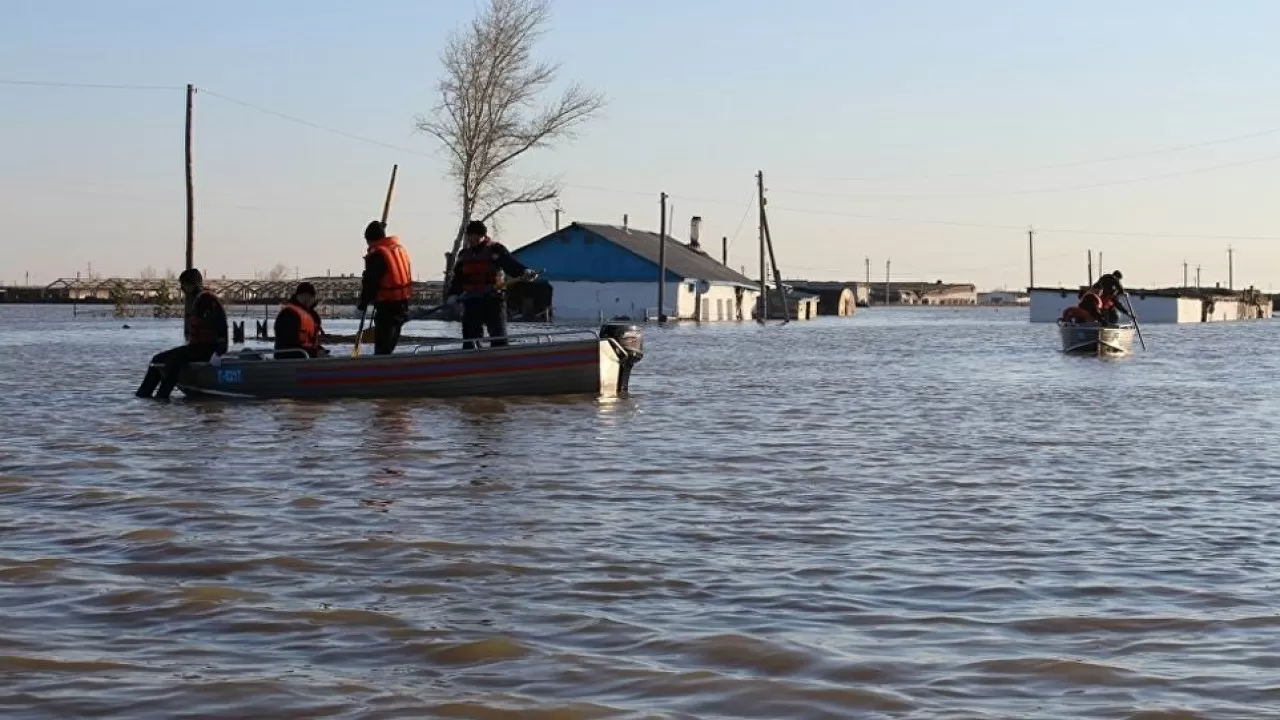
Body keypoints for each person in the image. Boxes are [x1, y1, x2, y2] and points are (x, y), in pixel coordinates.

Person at [135, 268, 228, 399]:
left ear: (192, 284)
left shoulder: (207, 300)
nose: (182, 288)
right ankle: (143, 396)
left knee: (174, 361)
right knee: (157, 360)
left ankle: (162, 397)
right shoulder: (198, 299)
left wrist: (219, 351)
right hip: (197, 347)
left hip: (208, 349)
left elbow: (221, 325)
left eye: (183, 284)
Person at [446, 220, 536, 349]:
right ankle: (470, 361)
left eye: (476, 236)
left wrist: (525, 272)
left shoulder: (496, 249)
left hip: (493, 299)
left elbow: (511, 265)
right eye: (470, 236)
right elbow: (458, 279)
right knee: (470, 338)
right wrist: (453, 294)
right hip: (471, 299)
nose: (473, 239)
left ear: (483, 236)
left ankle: (500, 360)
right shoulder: (463, 255)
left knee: (498, 336)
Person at [357, 220, 413, 355]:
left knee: (383, 346)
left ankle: (380, 368)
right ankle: (386, 365)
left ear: (369, 240)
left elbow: (371, 282)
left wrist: (363, 303)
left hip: (387, 307)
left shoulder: (377, 256)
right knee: (389, 343)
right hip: (402, 305)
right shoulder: (397, 249)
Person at [274, 281, 328, 358]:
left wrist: (319, 349)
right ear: (297, 296)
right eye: (304, 295)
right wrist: (313, 353)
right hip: (290, 357)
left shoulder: (313, 315)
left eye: (310, 296)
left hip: (307, 357)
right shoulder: (288, 314)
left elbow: (313, 341)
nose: (307, 299)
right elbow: (288, 341)